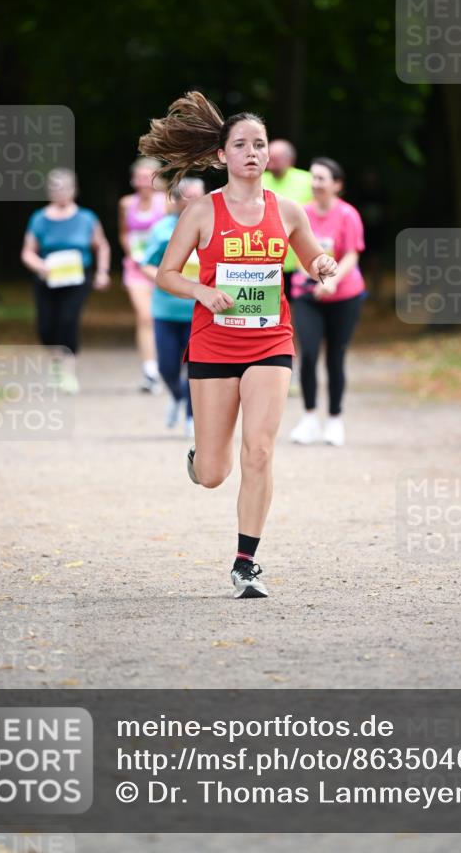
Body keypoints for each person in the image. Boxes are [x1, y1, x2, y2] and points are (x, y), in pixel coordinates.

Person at [138, 92, 337, 599]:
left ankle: (246, 562)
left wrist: (323, 266)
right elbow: (165, 274)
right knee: (212, 473)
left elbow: (312, 256)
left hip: (270, 340)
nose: (253, 152)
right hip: (213, 345)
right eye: (242, 144)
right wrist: (202, 290)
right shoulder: (203, 211)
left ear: (269, 154)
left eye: (260, 144)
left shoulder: (288, 210)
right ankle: (201, 456)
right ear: (222, 155)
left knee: (261, 450)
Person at [289, 157, 366, 447]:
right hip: (307, 294)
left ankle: (334, 419)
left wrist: (332, 281)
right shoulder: (302, 213)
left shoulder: (348, 215)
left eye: (322, 178)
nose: (316, 183)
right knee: (308, 354)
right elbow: (298, 253)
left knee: (336, 356)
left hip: (345, 295)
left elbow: (351, 255)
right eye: (313, 178)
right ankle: (309, 418)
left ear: (337, 185)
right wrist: (317, 281)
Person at [21, 168, 111, 393]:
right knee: (46, 327)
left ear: (74, 189)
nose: (60, 192)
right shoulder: (39, 218)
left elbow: (101, 246)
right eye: (55, 187)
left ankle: (68, 372)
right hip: (48, 279)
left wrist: (102, 272)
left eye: (64, 187)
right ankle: (56, 364)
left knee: (68, 320)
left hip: (77, 278)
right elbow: (28, 252)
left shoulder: (86, 218)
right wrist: (39, 265)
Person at [139, 177, 205, 438]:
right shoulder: (163, 229)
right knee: (167, 366)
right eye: (191, 196)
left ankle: (191, 415)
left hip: (199, 309)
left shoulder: (213, 227)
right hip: (166, 308)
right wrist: (170, 279)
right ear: (177, 200)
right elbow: (146, 264)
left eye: (201, 194)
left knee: (196, 366)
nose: (197, 201)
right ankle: (177, 396)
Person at [118, 157, 167, 392]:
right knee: (145, 317)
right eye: (139, 177)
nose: (143, 182)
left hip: (163, 268)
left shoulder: (166, 202)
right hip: (136, 268)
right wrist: (133, 254)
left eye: (148, 177)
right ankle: (150, 371)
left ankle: (169, 365)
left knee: (164, 318)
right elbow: (124, 234)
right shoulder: (127, 204)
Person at [261, 139, 313, 301]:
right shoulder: (258, 180)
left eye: (275, 160)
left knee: (301, 307)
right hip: (267, 259)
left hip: (300, 259)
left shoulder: (308, 181)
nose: (270, 164)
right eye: (269, 159)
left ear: (290, 160)